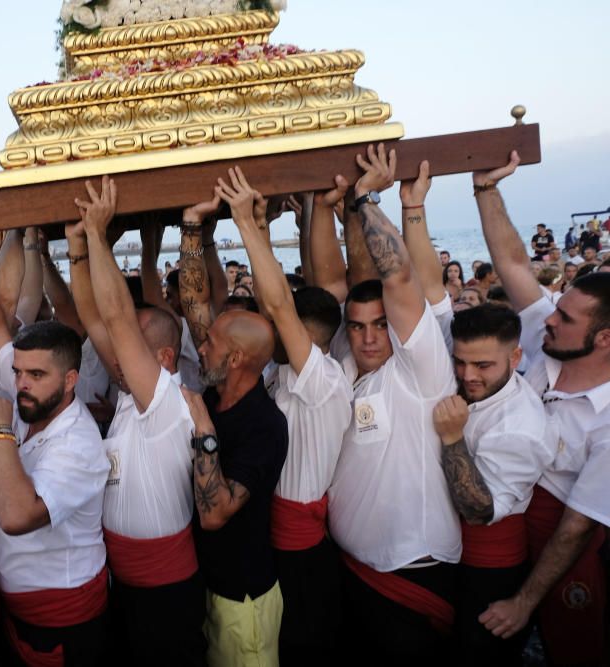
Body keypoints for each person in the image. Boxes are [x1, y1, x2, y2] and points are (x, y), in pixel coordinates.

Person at [0, 218, 111, 667]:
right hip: (21, 609)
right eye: (17, 373)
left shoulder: (77, 442)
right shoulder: (32, 395)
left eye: (35, 375)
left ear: (70, 379)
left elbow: (17, 517)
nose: (20, 384)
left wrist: (1, 430)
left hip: (63, 619)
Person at [471, 152, 609, 666]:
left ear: (604, 339)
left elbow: (576, 525)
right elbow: (510, 261)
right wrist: (486, 188)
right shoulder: (546, 336)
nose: (549, 320)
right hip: (499, 525)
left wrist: (522, 603)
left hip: (563, 543)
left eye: (566, 318)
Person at [327, 145, 461, 666]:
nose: (366, 339)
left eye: (380, 326)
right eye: (356, 327)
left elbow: (398, 278)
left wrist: (367, 199)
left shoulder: (421, 370)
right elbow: (337, 271)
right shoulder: (348, 371)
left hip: (414, 574)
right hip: (352, 570)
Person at [69, 177, 206, 665]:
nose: (119, 349)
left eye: (135, 347)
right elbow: (94, 316)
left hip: (165, 589)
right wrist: (79, 248)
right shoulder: (131, 391)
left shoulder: (167, 402)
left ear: (165, 358)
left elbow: (119, 319)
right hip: (121, 580)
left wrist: (99, 232)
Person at [219, 167, 352, 665]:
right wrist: (265, 227)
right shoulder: (286, 375)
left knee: (300, 648)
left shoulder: (322, 381)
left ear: (307, 336)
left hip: (300, 551)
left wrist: (247, 226)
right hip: (267, 536)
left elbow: (277, 304)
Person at [177, 183, 288, 667]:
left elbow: (215, 512)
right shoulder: (217, 385)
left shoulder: (266, 425)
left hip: (245, 603)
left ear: (237, 357)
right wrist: (190, 228)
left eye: (211, 345)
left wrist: (203, 428)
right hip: (210, 587)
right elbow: (195, 305)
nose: (200, 346)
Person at [432, 304, 556, 667]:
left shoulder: (522, 426)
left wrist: (452, 437)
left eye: (483, 365)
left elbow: (478, 511)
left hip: (487, 565)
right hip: (450, 553)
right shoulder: (474, 384)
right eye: (460, 361)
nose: (467, 375)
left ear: (515, 356)